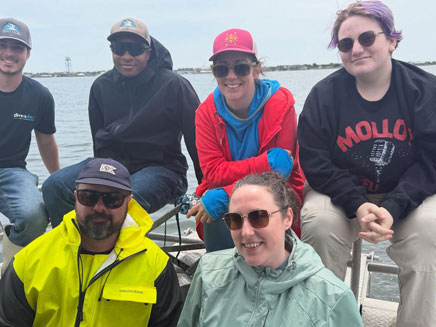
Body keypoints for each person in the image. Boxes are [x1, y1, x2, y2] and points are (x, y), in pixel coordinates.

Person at [297, 1, 436, 326]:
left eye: (367, 38)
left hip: (409, 197)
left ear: (391, 40)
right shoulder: (323, 96)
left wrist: (397, 205)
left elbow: (433, 161)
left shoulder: (424, 90)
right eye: (346, 44)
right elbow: (315, 162)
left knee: (430, 232)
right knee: (319, 225)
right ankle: (324, 321)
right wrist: (357, 204)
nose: (356, 49)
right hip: (341, 195)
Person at [42, 18, 202, 227]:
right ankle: (72, 247)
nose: (126, 56)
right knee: (54, 185)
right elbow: (98, 146)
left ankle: (114, 256)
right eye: (119, 48)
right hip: (112, 165)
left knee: (121, 198)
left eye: (135, 49)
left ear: (148, 51)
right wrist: (96, 182)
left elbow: (198, 140)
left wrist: (207, 189)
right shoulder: (100, 86)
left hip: (164, 169)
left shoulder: (174, 85)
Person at [0, 158, 182, 326]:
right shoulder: (29, 261)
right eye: (88, 197)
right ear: (75, 197)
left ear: (129, 202)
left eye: (113, 199)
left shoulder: (157, 267)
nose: (99, 207)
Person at [178, 171, 362, 326]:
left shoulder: (333, 298)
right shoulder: (209, 271)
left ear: (287, 218)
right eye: (234, 220)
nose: (246, 232)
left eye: (258, 217)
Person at [187, 28, 305, 252]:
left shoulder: (281, 105)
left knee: (259, 214)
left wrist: (227, 192)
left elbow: (280, 176)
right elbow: (212, 172)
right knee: (212, 213)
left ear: (256, 69)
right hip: (224, 191)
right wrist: (265, 163)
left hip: (279, 192)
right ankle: (222, 280)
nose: (231, 76)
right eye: (221, 69)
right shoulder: (205, 113)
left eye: (241, 67)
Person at [0, 18, 60, 274]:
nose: (9, 53)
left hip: (12, 172)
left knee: (35, 215)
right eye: (3, 45)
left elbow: (45, 140)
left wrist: (57, 180)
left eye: (17, 47)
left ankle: (10, 270)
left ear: (28, 54)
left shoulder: (39, 95)